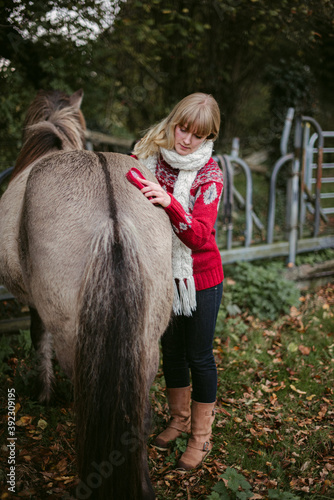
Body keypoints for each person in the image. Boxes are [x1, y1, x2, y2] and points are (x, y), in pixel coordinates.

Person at [132, 93, 224, 470]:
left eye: (196, 135)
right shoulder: (149, 157)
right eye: (182, 128)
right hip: (162, 272)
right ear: (173, 122)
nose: (185, 139)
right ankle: (179, 420)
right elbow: (130, 185)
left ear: (208, 137)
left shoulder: (209, 174)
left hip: (200, 277)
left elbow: (200, 235)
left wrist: (169, 201)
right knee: (171, 352)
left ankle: (201, 437)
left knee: (198, 355)